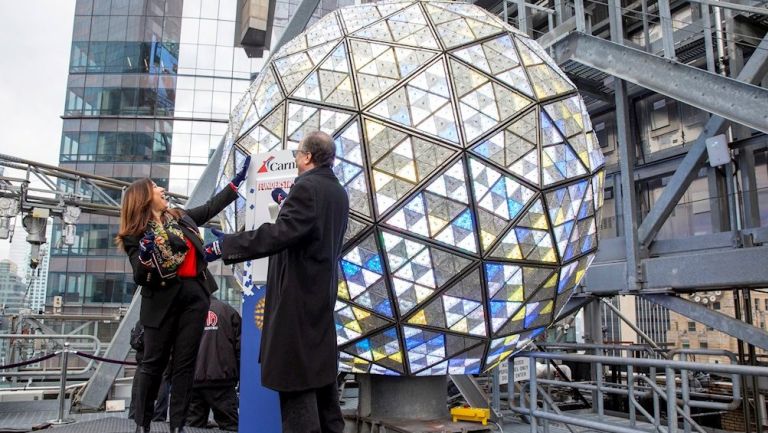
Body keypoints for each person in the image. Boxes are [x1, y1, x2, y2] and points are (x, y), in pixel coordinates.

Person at [204, 131, 350, 433]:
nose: (295, 159)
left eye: (298, 154)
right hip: (319, 304)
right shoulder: (337, 191)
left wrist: (225, 246)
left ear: (308, 156)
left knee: (297, 395)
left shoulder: (307, 187)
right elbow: (308, 232)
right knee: (324, 397)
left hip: (296, 308)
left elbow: (278, 234)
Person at [116, 155, 250, 433]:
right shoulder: (136, 234)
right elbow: (141, 278)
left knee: (185, 365)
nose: (162, 190)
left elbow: (211, 206)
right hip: (161, 301)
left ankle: (177, 427)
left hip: (194, 297)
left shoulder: (180, 217)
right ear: (143, 196)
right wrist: (144, 255)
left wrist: (236, 183)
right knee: (153, 364)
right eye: (156, 187)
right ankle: (143, 424)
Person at [187, 296, 241, 431]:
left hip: (193, 380)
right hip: (222, 380)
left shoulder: (187, 312)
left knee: (193, 426)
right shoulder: (228, 311)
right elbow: (241, 348)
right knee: (230, 426)